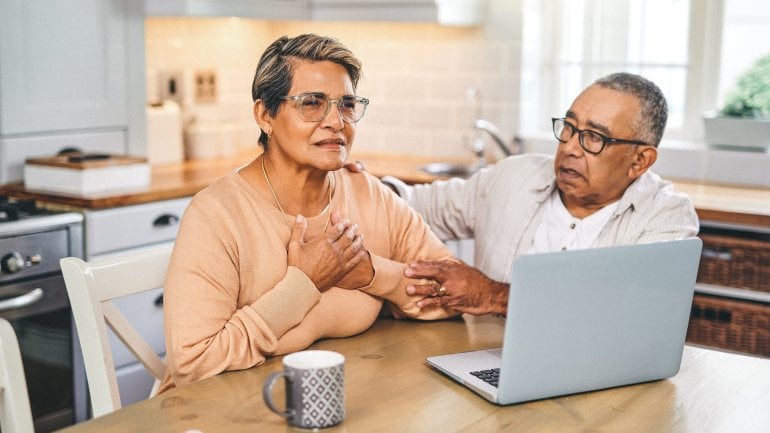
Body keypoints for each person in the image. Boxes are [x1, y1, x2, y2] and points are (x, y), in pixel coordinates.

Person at [159, 34, 458, 392]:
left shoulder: (368, 194)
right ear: (265, 115)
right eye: (312, 103)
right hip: (216, 415)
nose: (336, 121)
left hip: (338, 400)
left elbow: (455, 294)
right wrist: (306, 282)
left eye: (346, 104)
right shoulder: (216, 216)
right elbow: (193, 366)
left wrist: (370, 273)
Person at [369, 72, 699, 316]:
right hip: (483, 361)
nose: (570, 146)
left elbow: (621, 309)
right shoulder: (516, 176)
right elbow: (415, 205)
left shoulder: (667, 218)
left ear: (640, 160)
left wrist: (493, 295)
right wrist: (354, 184)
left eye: (594, 138)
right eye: (568, 127)